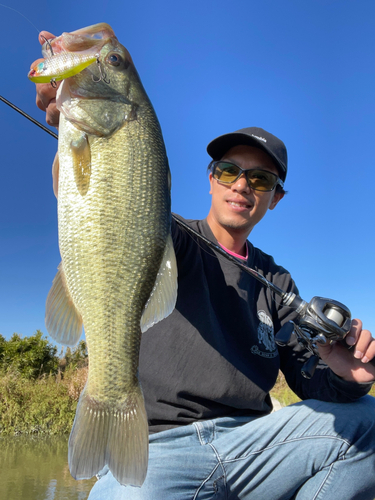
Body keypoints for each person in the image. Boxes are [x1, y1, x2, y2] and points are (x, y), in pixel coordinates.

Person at [33, 32, 375, 500]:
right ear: (211, 178)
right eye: (229, 170)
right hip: (159, 448)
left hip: (254, 449)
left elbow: (309, 382)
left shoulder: (277, 282)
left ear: (275, 198)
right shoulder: (167, 233)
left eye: (261, 178)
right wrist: (65, 111)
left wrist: (344, 376)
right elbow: (110, 204)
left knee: (367, 423)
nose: (243, 185)